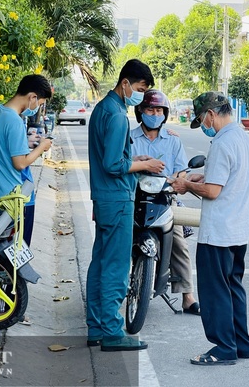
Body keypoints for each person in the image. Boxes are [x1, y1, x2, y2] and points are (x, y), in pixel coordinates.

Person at [171, 91, 249, 366]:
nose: (203, 125)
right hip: (238, 229)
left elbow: (212, 191)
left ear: (209, 114)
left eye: (201, 119)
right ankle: (241, 343)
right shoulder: (242, 137)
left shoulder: (221, 143)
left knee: (215, 291)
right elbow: (226, 179)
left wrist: (186, 185)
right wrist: (201, 177)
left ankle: (223, 348)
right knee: (233, 288)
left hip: (219, 231)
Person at [86, 59, 163, 352]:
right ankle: (111, 331)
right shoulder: (118, 116)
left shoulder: (103, 108)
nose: (141, 96)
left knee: (100, 264)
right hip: (117, 198)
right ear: (126, 83)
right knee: (116, 268)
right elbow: (113, 163)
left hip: (104, 197)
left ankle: (95, 327)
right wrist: (144, 163)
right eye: (140, 89)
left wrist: (139, 162)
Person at [130, 89, 200, 315]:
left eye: (159, 110)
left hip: (164, 199)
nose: (154, 113)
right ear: (141, 112)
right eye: (150, 109)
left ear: (165, 113)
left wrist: (177, 183)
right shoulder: (129, 138)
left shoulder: (172, 140)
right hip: (135, 199)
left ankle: (188, 296)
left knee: (178, 242)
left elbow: (181, 172)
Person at [0, 74, 53, 246]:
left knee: (0, 251)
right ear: (32, 97)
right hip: (17, 198)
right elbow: (20, 163)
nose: (37, 108)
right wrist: (41, 147)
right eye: (40, 103)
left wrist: (26, 143)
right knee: (17, 255)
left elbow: (2, 149)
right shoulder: (14, 121)